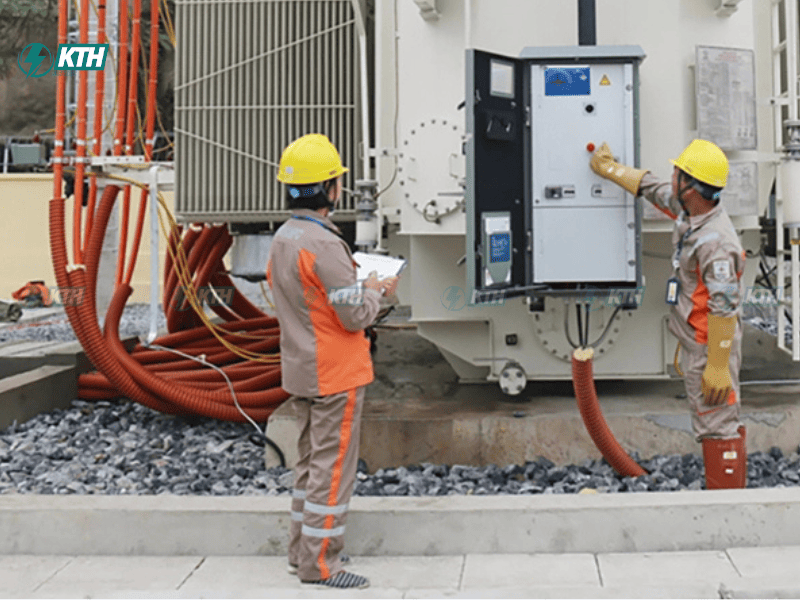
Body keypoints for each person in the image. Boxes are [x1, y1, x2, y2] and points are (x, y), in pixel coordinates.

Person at [266, 133, 399, 589]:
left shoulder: (284, 238)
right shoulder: (324, 245)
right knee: (332, 468)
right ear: (332, 189)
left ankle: (299, 552)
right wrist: (376, 292)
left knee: (307, 464)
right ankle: (321, 564)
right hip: (335, 374)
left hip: (302, 370)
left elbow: (312, 301)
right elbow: (353, 315)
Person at [590, 139, 747, 489]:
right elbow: (652, 188)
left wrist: (718, 366)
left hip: (710, 348)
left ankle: (727, 505)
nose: (671, 176)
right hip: (699, 344)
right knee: (712, 418)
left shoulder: (716, 243)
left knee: (717, 421)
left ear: (691, 186)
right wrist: (609, 169)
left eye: (678, 172)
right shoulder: (691, 210)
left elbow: (725, 305)